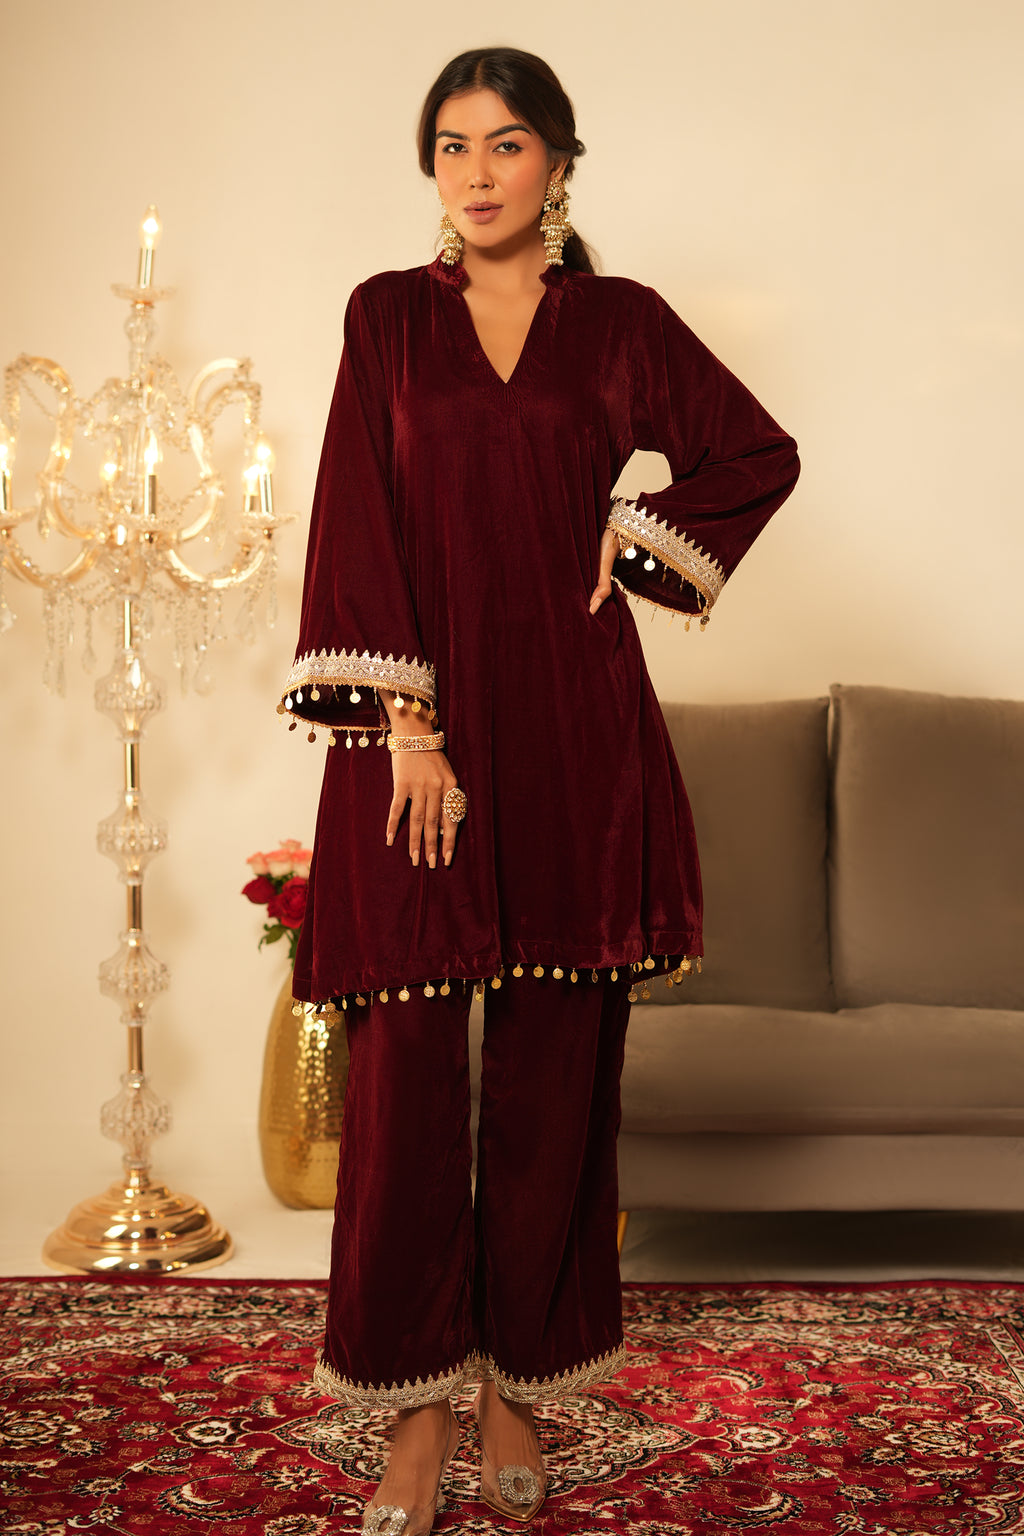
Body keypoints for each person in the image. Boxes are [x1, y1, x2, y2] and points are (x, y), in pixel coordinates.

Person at [281, 45, 799, 1536]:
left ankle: (520, 1384)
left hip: (575, 732)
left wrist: (635, 541)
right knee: (405, 1082)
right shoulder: (387, 318)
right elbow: (355, 514)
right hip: (417, 744)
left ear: (561, 164)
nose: (478, 172)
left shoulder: (620, 325)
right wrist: (408, 725)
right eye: (452, 145)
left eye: (507, 144)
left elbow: (756, 452)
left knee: (557, 1080)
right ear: (430, 167)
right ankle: (412, 1411)